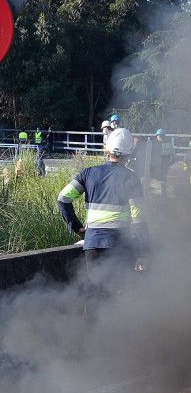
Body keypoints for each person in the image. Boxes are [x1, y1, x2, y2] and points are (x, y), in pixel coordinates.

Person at [57, 128, 147, 302]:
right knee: (121, 293)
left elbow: (63, 199)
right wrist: (143, 253)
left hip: (93, 243)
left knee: (96, 293)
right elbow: (139, 220)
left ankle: (92, 327)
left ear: (107, 150)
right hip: (121, 245)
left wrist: (77, 228)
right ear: (129, 154)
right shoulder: (132, 178)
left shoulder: (88, 173)